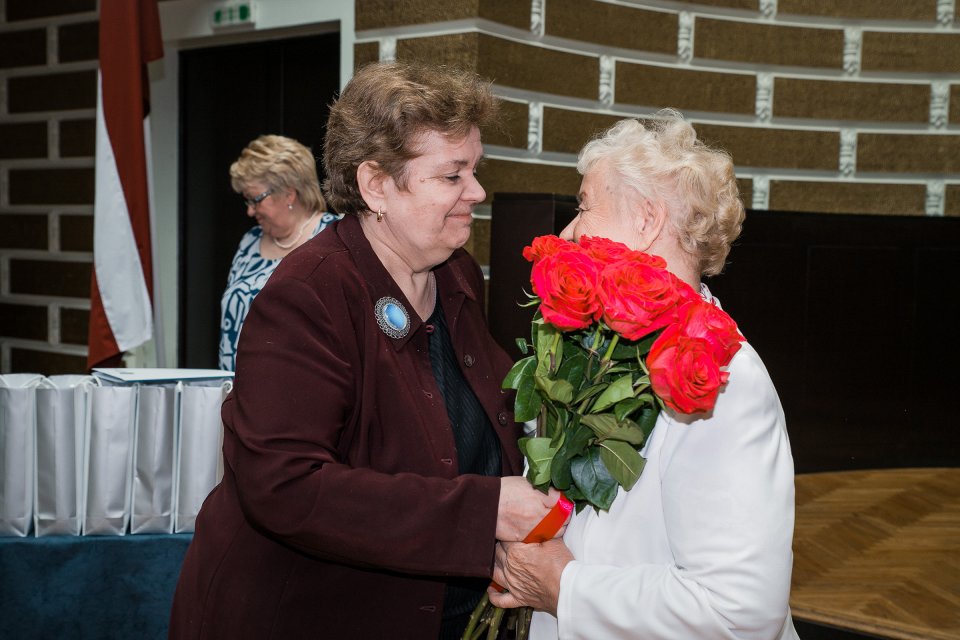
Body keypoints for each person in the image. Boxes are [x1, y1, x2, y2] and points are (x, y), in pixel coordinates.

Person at [169, 62, 562, 639]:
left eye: (474, 170)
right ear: (376, 184)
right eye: (452, 176)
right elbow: (284, 486)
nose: (476, 193)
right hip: (306, 614)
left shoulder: (454, 274)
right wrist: (484, 513)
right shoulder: (310, 292)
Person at [489, 112, 799, 640]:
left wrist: (564, 586)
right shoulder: (595, 346)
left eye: (584, 206)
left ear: (648, 220)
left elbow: (740, 612)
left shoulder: (722, 380)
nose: (567, 231)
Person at [218, 134, 340, 371]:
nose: (250, 212)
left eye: (256, 200)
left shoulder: (333, 239)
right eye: (247, 201)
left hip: (295, 392)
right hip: (235, 392)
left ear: (289, 194)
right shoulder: (249, 242)